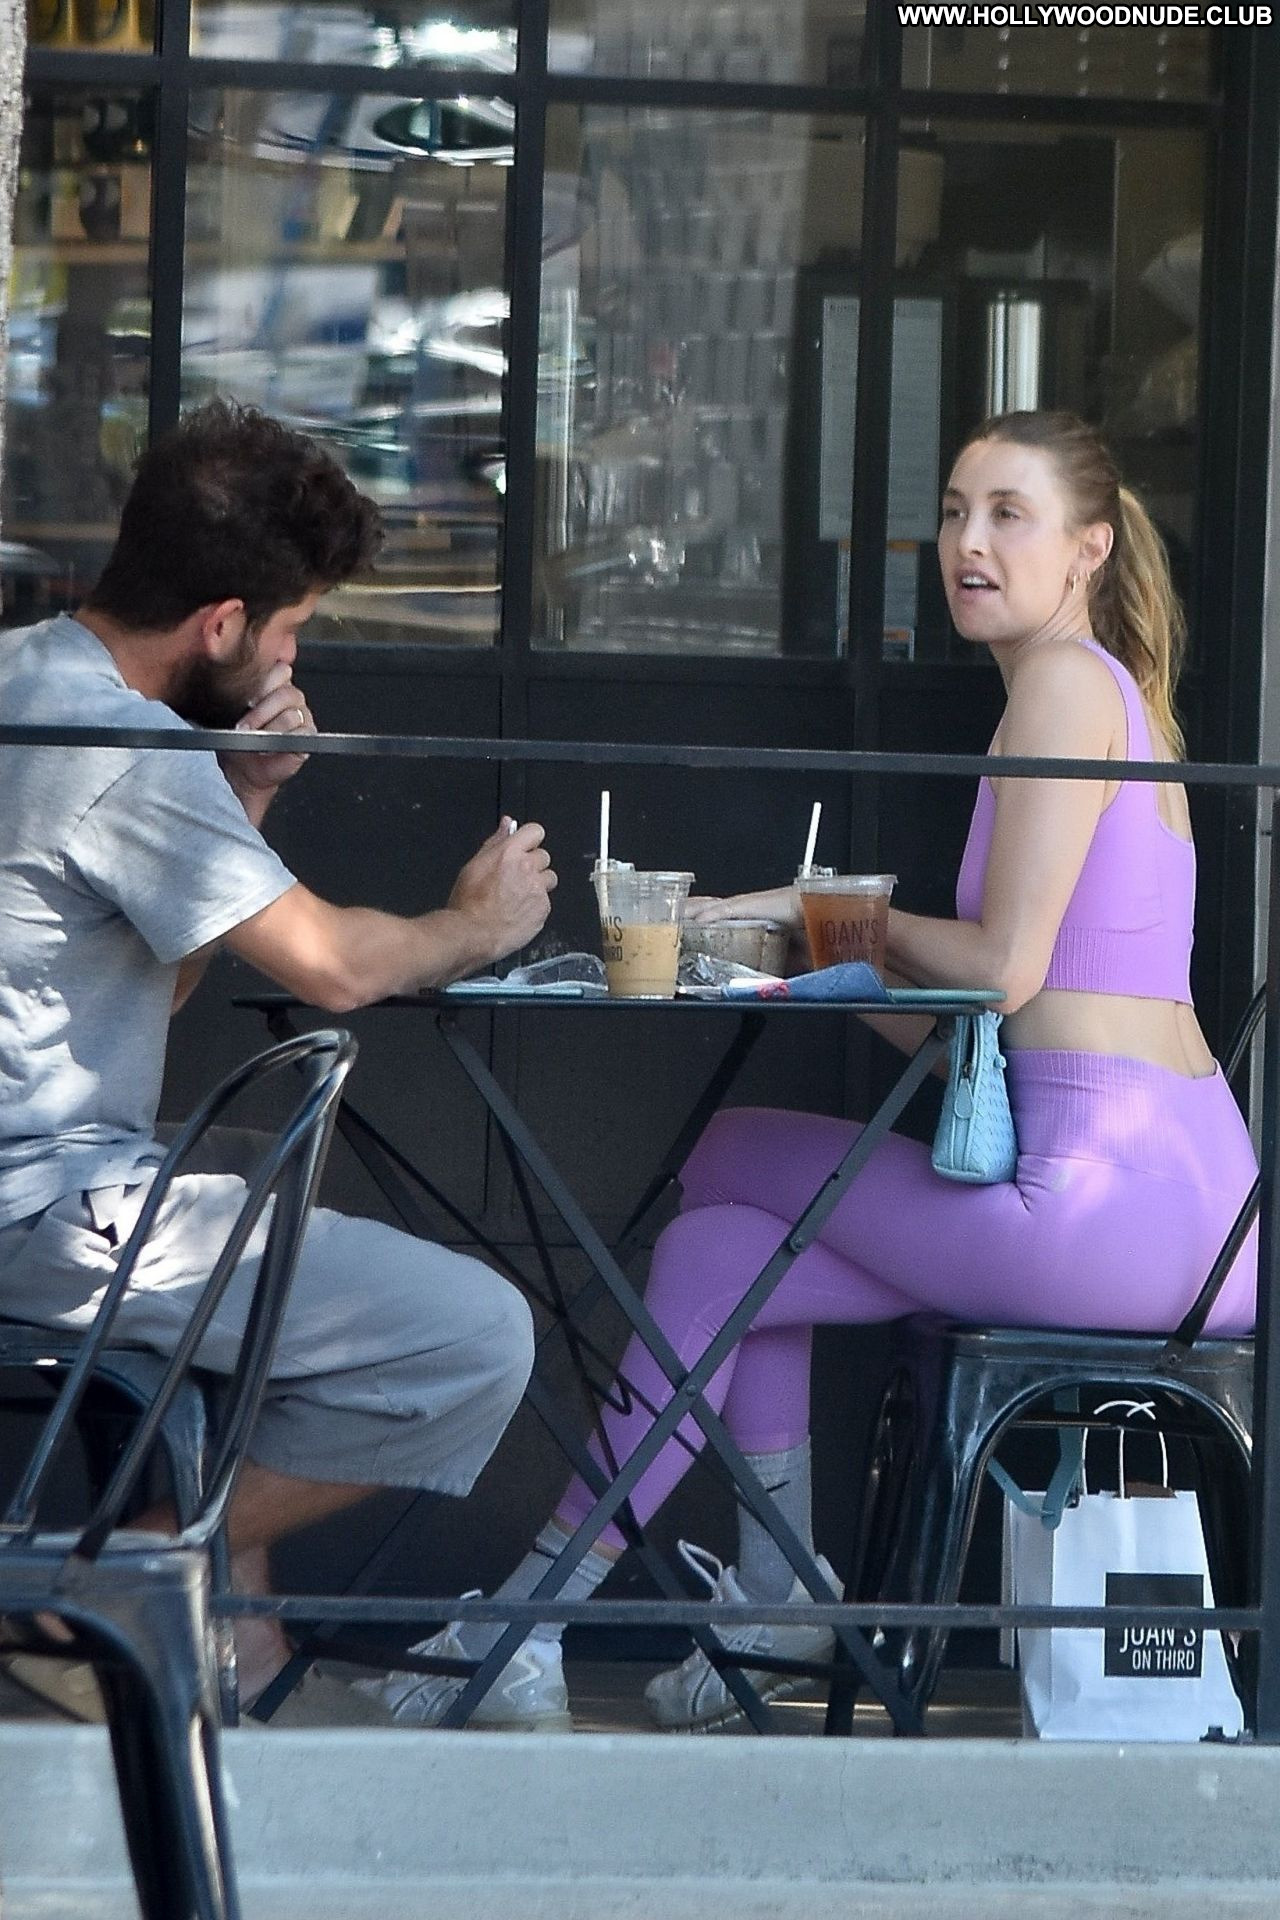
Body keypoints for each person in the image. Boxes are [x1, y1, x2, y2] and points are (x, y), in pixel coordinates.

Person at [359, 408, 1259, 1734]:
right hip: (1193, 1211)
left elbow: (1003, 972)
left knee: (731, 1156)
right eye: (952, 512)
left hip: (1107, 1212)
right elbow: (987, 1034)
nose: (966, 542)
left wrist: (827, 907)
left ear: (1089, 547)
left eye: (1007, 515)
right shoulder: (1108, 692)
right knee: (722, 1254)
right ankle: (694, 1602)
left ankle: (553, 1618)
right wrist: (811, 963)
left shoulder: (1063, 686)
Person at [0, 400, 556, 1722]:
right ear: (222, 626)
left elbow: (161, 977)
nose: (293, 655)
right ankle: (108, 1588)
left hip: (48, 1184)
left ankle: (223, 1628)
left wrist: (240, 797)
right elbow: (336, 967)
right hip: (40, 1206)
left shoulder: (29, 676)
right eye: (292, 627)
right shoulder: (127, 750)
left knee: (263, 1179)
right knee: (476, 1336)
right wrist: (474, 926)